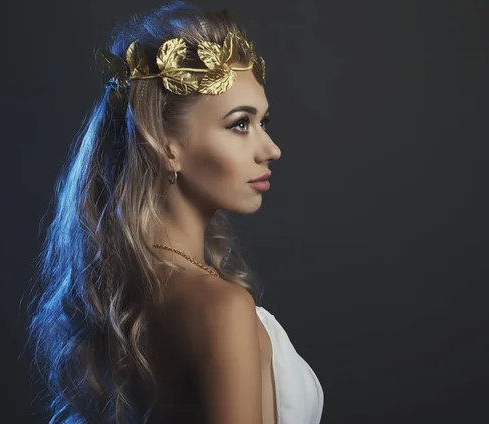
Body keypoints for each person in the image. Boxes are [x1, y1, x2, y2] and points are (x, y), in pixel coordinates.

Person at [26, 1, 324, 423]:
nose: (270, 149)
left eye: (264, 122)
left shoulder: (122, 298)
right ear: (167, 144)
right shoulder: (221, 309)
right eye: (240, 124)